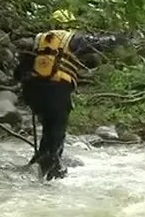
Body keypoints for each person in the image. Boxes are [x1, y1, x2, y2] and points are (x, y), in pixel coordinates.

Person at [14, 11, 122, 180]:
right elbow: (100, 44)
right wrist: (120, 39)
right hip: (56, 89)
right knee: (57, 128)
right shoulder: (71, 39)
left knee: (49, 127)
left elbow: (21, 67)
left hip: (34, 91)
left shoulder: (38, 39)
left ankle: (41, 162)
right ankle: (53, 168)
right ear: (68, 24)